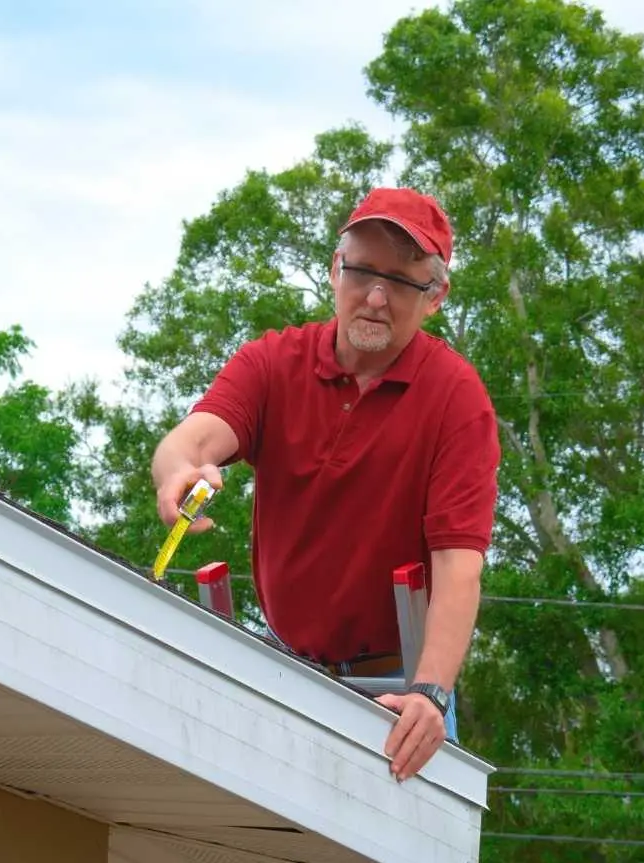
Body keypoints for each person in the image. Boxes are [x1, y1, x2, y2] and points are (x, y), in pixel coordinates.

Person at [150, 187, 500, 782]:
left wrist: (431, 695)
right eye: (362, 271)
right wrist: (179, 472)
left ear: (435, 296)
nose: (376, 297)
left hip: (397, 693)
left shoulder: (456, 400)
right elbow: (194, 439)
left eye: (402, 282)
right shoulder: (273, 362)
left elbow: (458, 567)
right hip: (282, 667)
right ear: (336, 269)